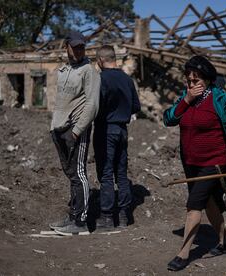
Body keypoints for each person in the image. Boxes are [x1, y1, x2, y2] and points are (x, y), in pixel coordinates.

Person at [163, 55, 226, 271]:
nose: (191, 85)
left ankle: (183, 254)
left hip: (215, 162)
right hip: (191, 162)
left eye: (196, 80)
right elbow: (168, 119)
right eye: (189, 80)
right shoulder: (186, 98)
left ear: (208, 79)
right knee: (209, 203)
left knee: (194, 206)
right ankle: (225, 241)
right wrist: (186, 100)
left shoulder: (221, 100)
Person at [49, 30, 100, 235]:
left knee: (78, 173)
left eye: (82, 47)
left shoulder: (89, 71)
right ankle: (72, 215)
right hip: (59, 128)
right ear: (66, 47)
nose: (79, 50)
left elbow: (92, 104)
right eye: (75, 46)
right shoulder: (65, 70)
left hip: (76, 130)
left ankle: (81, 222)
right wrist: (54, 126)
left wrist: (77, 131)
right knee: (71, 175)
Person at [93, 45, 141, 231]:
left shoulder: (101, 79)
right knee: (121, 173)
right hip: (122, 130)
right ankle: (123, 216)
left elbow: (96, 106)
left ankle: (106, 217)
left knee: (106, 173)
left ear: (99, 60)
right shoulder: (127, 80)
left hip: (106, 130)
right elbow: (136, 107)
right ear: (114, 58)